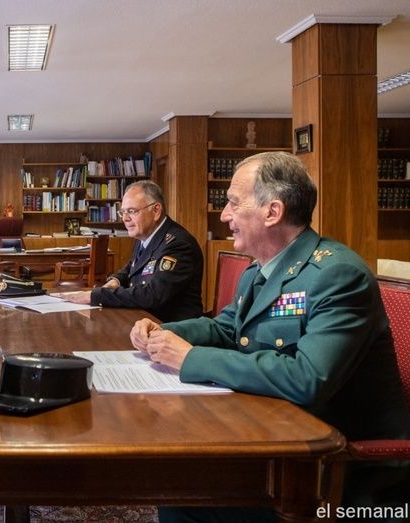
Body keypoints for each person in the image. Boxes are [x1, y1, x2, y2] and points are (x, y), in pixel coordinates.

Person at [130, 152, 409, 522]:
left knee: (183, 492)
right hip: (274, 434)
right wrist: (164, 331)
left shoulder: (336, 275)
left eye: (233, 203)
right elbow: (226, 329)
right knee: (181, 474)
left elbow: (307, 378)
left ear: (272, 212)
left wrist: (190, 358)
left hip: (333, 471)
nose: (224, 216)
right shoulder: (258, 271)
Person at [62, 180, 203, 322]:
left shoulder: (178, 244)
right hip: (145, 319)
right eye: (123, 212)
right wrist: (115, 281)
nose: (125, 218)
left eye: (131, 211)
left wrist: (97, 295)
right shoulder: (145, 235)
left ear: (156, 210)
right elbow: (132, 267)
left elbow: (153, 295)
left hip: (171, 327)